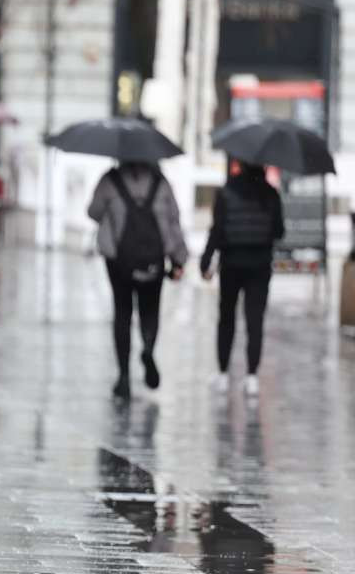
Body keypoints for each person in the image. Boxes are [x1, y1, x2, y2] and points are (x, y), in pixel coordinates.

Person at [88, 161, 188, 400]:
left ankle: (123, 376)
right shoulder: (161, 182)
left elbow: (93, 212)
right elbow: (174, 220)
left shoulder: (110, 180)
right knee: (150, 309)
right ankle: (148, 349)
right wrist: (179, 258)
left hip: (118, 259)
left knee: (122, 313)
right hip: (153, 258)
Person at [200, 159, 284, 397]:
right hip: (259, 266)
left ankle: (224, 373)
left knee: (226, 318)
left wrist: (206, 261)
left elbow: (216, 230)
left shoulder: (227, 191)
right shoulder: (270, 194)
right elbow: (279, 231)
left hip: (231, 264)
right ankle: (252, 376)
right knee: (254, 320)